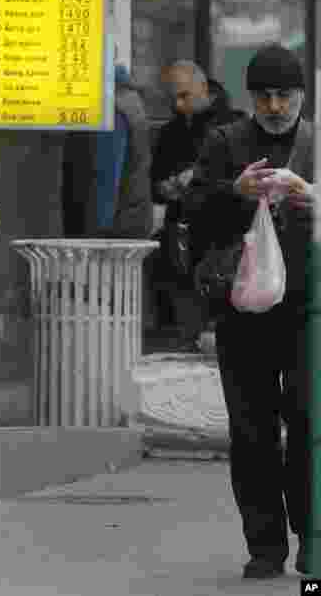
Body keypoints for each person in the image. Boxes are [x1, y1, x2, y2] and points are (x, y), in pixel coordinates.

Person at [183, 43, 314, 580]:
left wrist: (314, 200)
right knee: (252, 429)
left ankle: (312, 537)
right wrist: (234, 192)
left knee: (309, 424)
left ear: (302, 95)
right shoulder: (225, 143)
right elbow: (193, 216)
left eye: (285, 95)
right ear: (250, 98)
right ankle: (264, 546)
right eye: (264, 96)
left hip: (309, 310)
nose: (276, 107)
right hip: (243, 310)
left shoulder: (316, 145)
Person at [150, 61, 244, 348]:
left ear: (204, 88)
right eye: (173, 98)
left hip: (220, 238)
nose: (179, 105)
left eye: (184, 96)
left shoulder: (235, 125)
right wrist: (164, 188)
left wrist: (199, 178)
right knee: (182, 323)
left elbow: (246, 180)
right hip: (179, 238)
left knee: (219, 324)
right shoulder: (170, 132)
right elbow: (155, 183)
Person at [62, 63, 153, 239]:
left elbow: (107, 175)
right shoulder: (129, 99)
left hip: (114, 231)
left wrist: (95, 235)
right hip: (132, 219)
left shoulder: (111, 109)